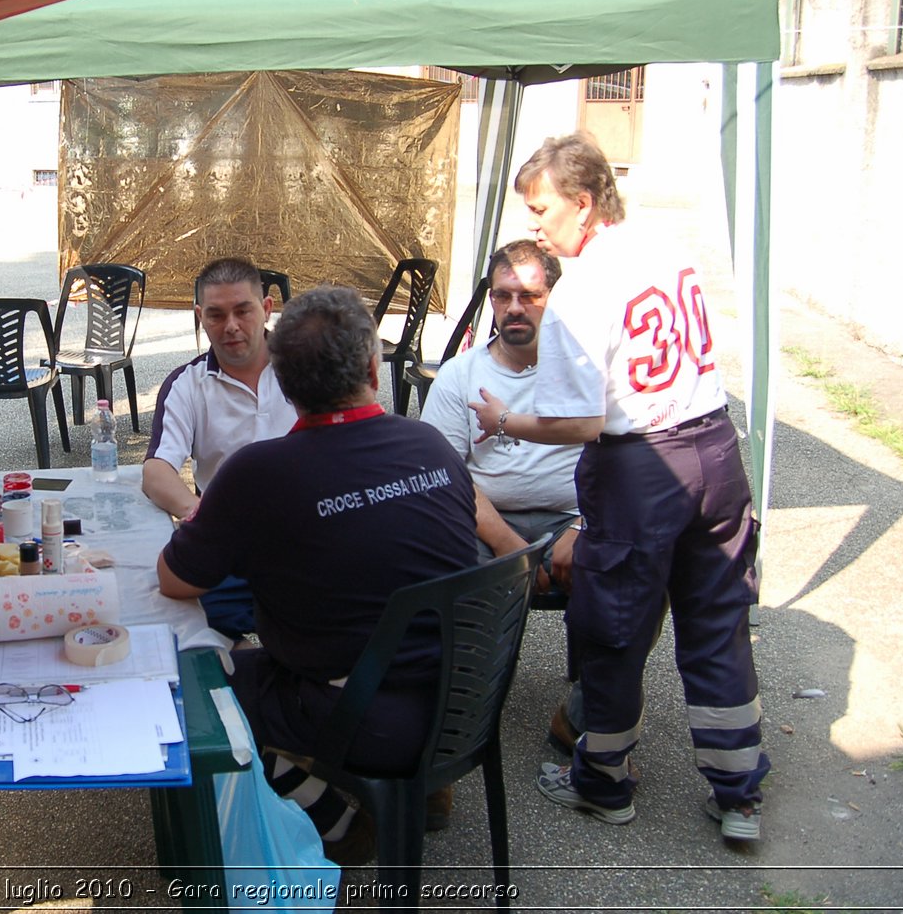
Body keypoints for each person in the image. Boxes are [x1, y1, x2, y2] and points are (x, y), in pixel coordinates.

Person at [468, 132, 768, 841]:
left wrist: (504, 418)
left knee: (613, 628)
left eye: (542, 209)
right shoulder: (664, 248)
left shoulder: (583, 292)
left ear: (581, 201)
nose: (535, 225)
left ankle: (602, 783)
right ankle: (739, 793)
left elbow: (580, 422)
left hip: (643, 468)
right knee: (717, 621)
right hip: (715, 449)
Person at [157, 284, 478, 864]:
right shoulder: (430, 445)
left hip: (359, 714)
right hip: (464, 701)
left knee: (189, 686)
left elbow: (176, 582)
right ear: (374, 370)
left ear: (285, 381)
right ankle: (422, 791)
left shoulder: (256, 472)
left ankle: (336, 819)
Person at [420, 239, 586, 750]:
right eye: (502, 295)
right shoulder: (460, 375)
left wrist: (587, 525)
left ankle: (588, 713)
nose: (514, 307)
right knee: (436, 572)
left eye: (529, 295)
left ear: (554, 297)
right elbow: (444, 476)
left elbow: (622, 463)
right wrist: (508, 543)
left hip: (573, 519)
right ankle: (450, 734)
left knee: (638, 571)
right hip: (484, 518)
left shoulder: (586, 369)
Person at [142, 257, 297, 637]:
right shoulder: (188, 384)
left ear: (266, 309)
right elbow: (156, 470)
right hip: (230, 543)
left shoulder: (304, 369)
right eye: (215, 315)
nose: (230, 327)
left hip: (303, 535)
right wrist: (200, 515)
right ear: (200, 317)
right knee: (172, 611)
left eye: (243, 311)